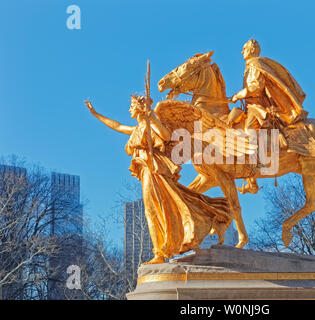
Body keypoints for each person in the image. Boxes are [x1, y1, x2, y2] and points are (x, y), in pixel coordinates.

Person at [84, 96, 233, 264]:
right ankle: (208, 218)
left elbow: (166, 135)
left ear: (140, 108)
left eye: (132, 106)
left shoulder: (151, 123)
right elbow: (117, 126)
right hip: (147, 171)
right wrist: (96, 113)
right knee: (165, 207)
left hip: (155, 171)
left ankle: (161, 253)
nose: (129, 110)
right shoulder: (138, 129)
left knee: (159, 209)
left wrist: (151, 117)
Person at [230, 39, 309, 194]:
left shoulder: (254, 64)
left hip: (257, 106)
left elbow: (256, 87)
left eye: (244, 48)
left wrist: (240, 94)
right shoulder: (250, 65)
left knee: (248, 130)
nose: (242, 51)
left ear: (252, 50)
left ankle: (253, 171)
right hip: (250, 106)